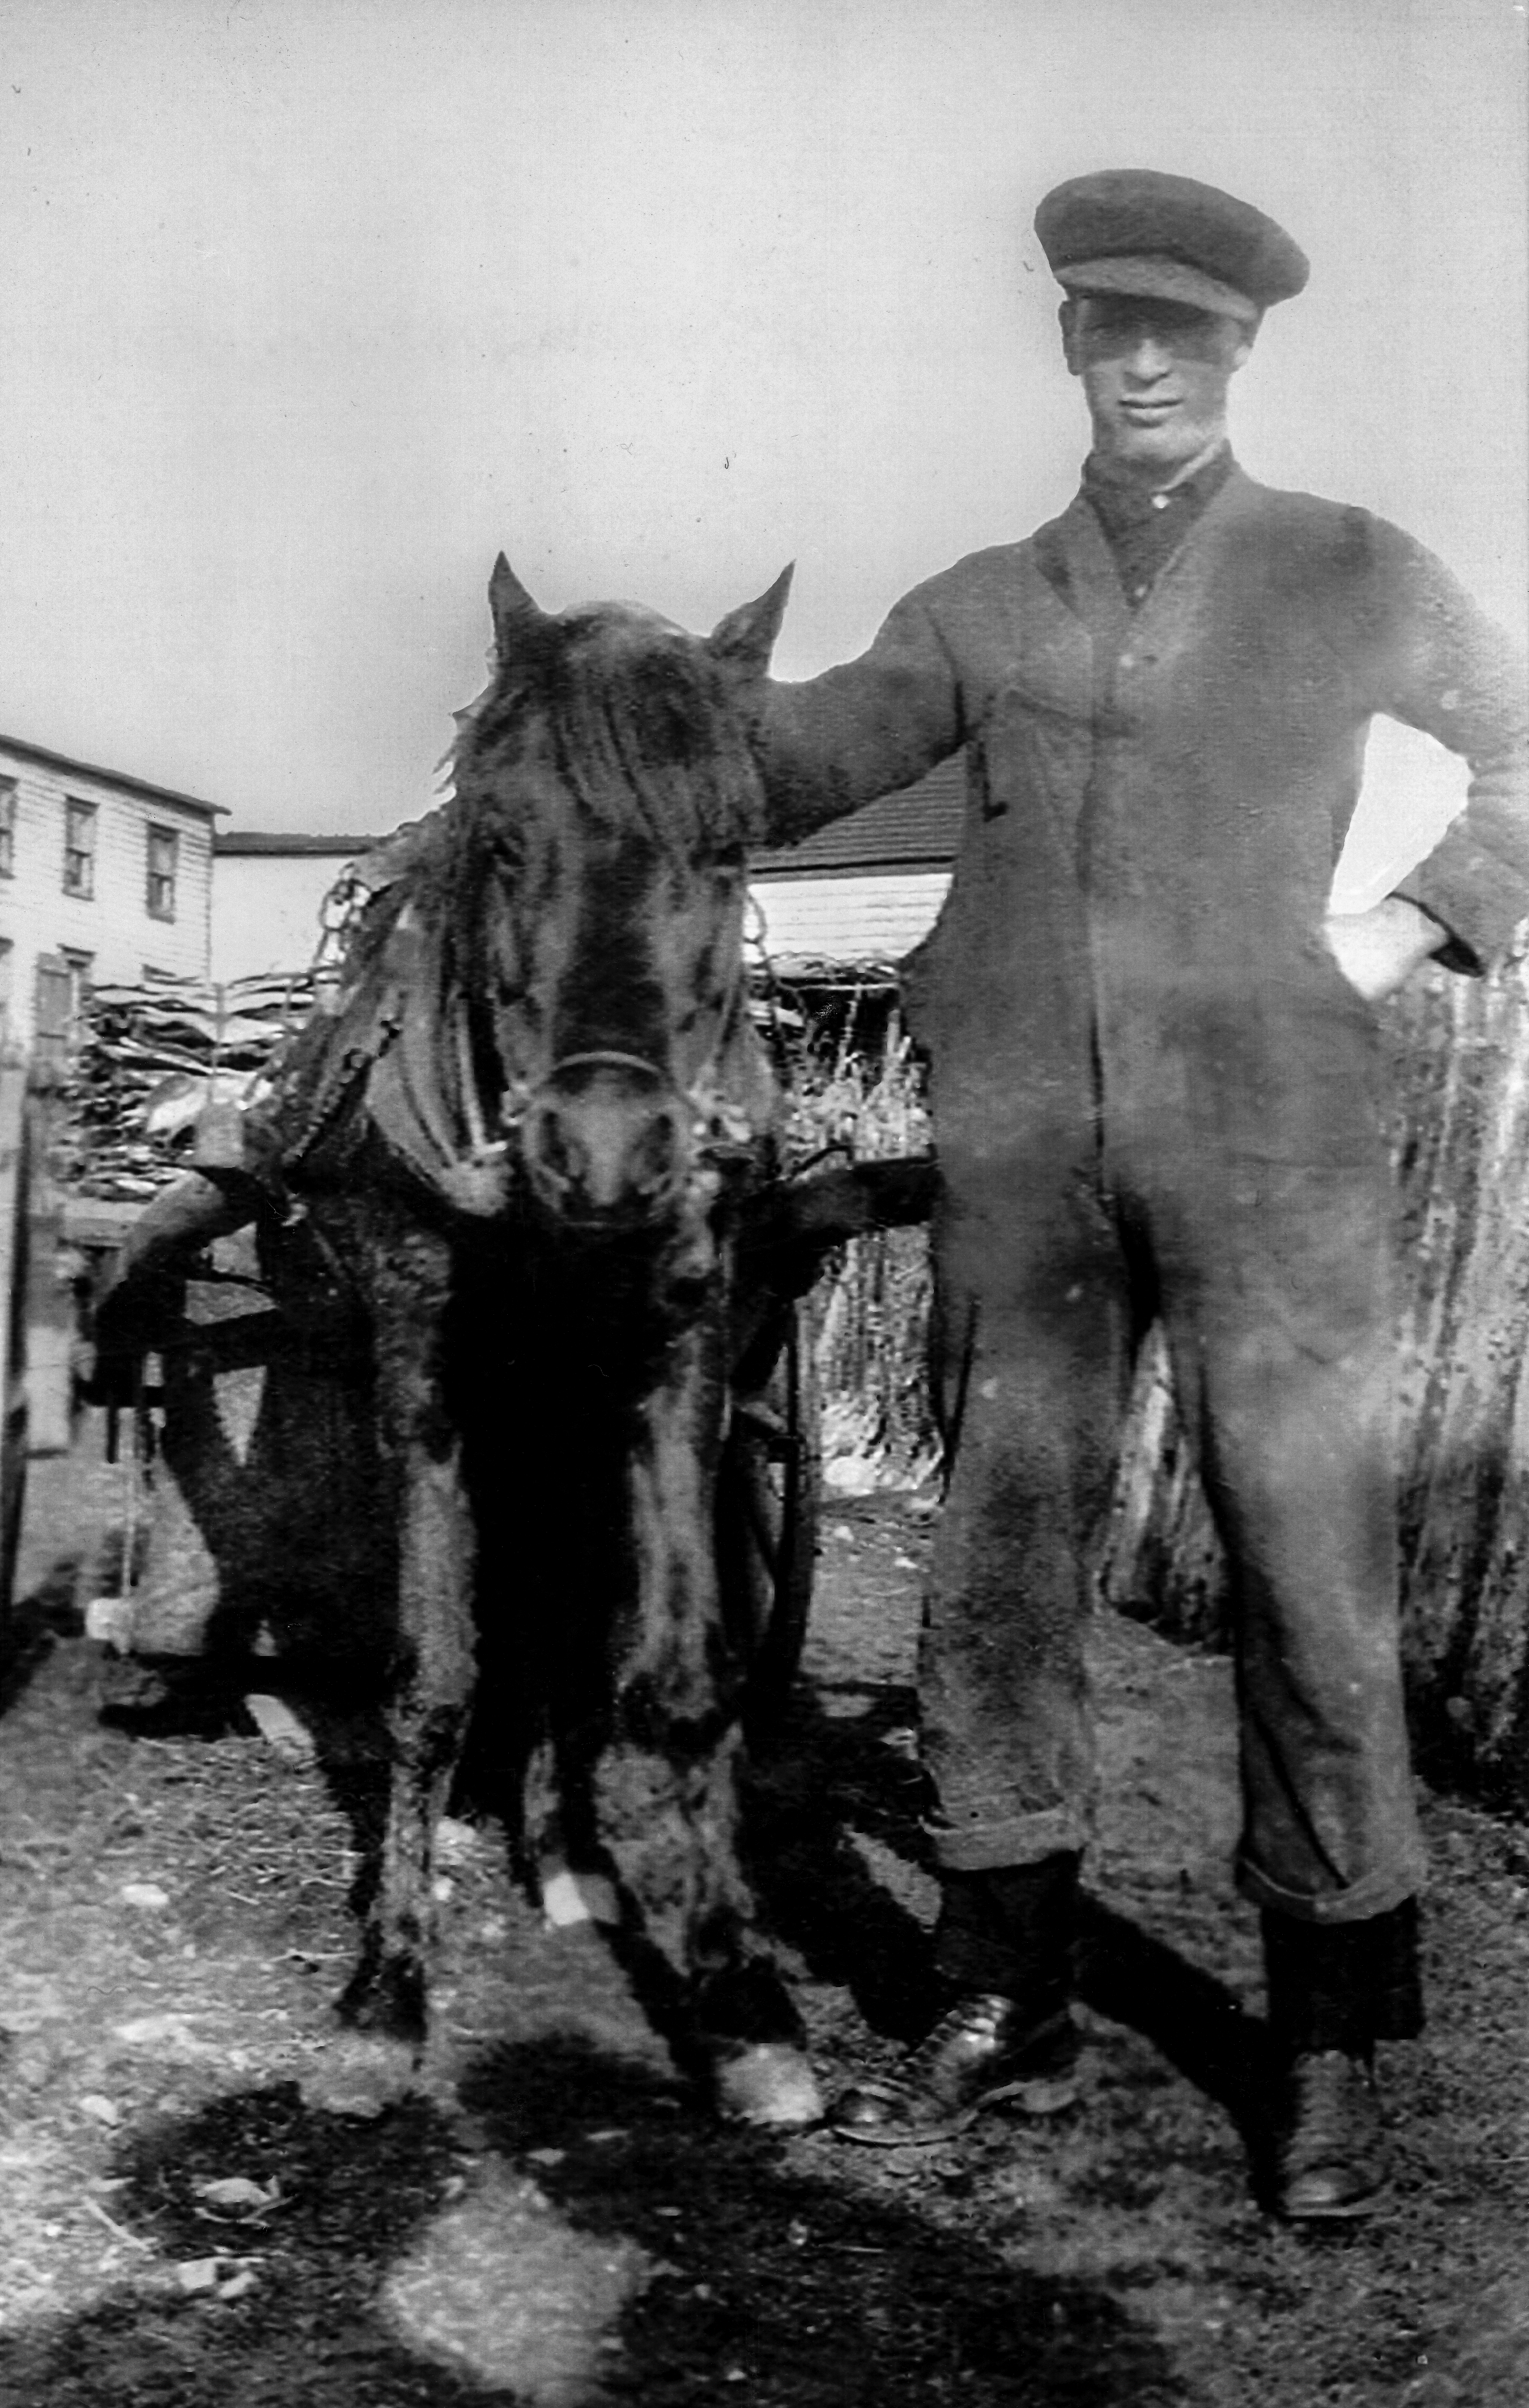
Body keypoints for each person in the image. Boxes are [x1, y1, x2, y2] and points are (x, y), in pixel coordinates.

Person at [752, 169, 1529, 2219]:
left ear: (1244, 351)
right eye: (1113, 327)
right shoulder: (984, 604)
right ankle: (1004, 1993)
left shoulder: (1348, 567)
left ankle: (1332, 2043)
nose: (1150, 359)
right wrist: (593, 715)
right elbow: (793, 756)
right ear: (1072, 348)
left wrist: (1397, 938)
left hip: (1275, 1151)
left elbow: (1524, 747)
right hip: (1027, 1162)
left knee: (1309, 1570)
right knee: (1000, 1561)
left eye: (1187, 330)